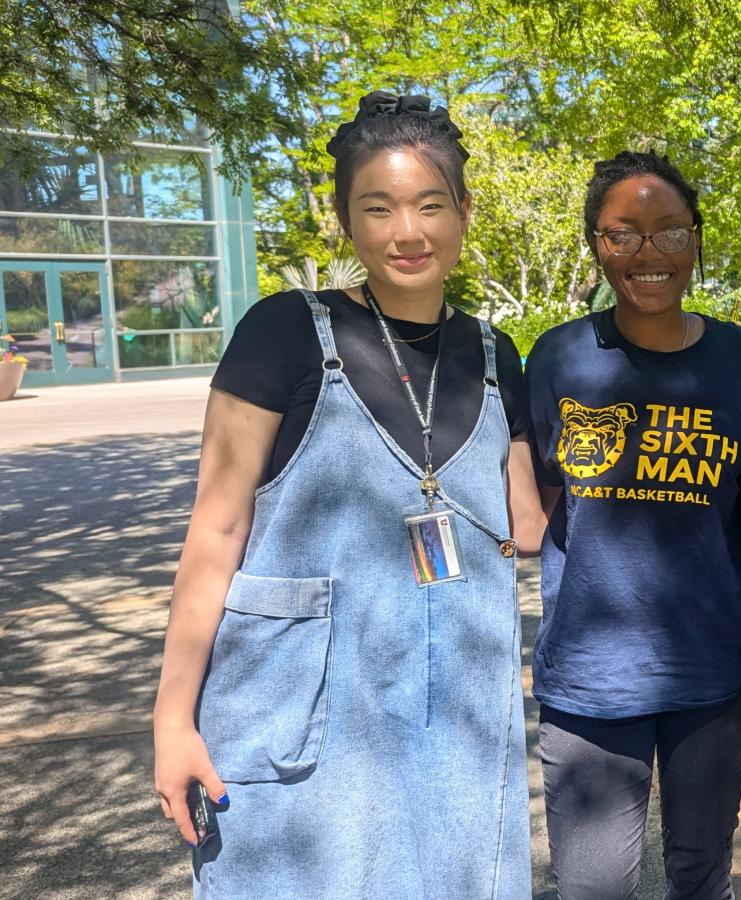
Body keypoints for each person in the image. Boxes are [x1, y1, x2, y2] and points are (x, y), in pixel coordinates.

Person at [150, 91, 542, 897]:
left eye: (431, 205)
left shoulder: (496, 353)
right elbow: (216, 527)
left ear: (464, 213)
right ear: (345, 219)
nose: (408, 232)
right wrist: (172, 719)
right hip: (307, 714)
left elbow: (527, 523)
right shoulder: (282, 332)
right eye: (380, 207)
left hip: (455, 718)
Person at [526, 151, 741, 899]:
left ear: (697, 241)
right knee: (593, 888)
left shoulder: (740, 360)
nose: (648, 254)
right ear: (595, 245)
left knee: (702, 875)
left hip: (718, 671)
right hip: (590, 680)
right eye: (622, 234)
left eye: (670, 232)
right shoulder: (558, 357)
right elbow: (537, 495)